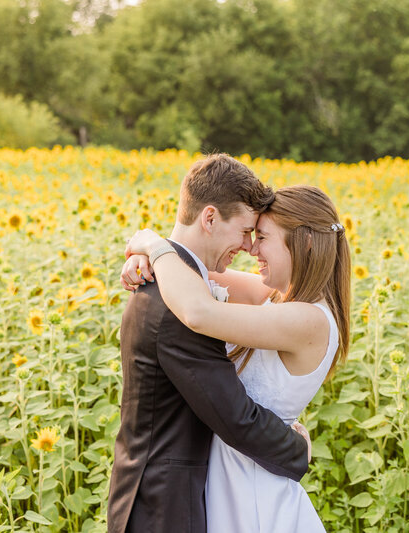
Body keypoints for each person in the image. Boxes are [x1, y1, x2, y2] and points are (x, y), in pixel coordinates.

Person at [121, 184, 351, 533]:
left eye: (262, 237)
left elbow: (198, 310)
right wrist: (147, 257)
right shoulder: (275, 296)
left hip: (252, 492)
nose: (251, 249)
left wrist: (153, 244)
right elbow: (195, 268)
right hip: (226, 478)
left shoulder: (310, 320)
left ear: (304, 243)